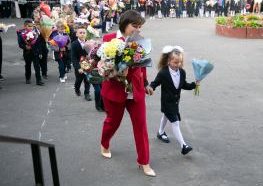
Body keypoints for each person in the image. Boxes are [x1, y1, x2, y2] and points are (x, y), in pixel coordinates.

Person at [100, 10, 155, 177]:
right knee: (112, 122)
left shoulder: (141, 41)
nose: (138, 30)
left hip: (135, 90)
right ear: (124, 25)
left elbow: (143, 65)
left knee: (141, 126)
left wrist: (145, 83)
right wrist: (116, 72)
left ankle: (144, 161)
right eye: (135, 26)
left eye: (140, 27)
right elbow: (101, 66)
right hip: (114, 90)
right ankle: (104, 143)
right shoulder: (108, 39)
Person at [150, 46, 198, 155]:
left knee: (166, 116)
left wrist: (194, 85)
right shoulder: (163, 73)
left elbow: (183, 85)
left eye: (180, 62)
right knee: (175, 122)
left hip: (175, 102)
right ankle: (183, 146)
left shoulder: (181, 72)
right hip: (167, 102)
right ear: (169, 60)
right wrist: (150, 88)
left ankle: (160, 132)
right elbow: (155, 83)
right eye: (175, 62)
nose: (178, 64)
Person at [18, 20, 44, 85]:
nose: (30, 28)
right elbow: (20, 44)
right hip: (27, 53)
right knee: (28, 66)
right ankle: (28, 78)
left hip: (35, 53)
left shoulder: (35, 34)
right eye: (29, 26)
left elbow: (39, 44)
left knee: (37, 66)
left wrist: (40, 53)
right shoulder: (22, 35)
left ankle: (38, 79)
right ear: (25, 26)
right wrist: (25, 46)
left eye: (32, 26)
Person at [71, 24, 92, 101]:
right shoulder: (74, 44)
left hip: (87, 65)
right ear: (76, 34)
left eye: (84, 33)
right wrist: (78, 68)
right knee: (79, 79)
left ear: (86, 34)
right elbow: (73, 57)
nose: (82, 34)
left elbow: (91, 54)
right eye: (80, 33)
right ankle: (77, 88)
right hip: (79, 66)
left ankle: (87, 93)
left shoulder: (89, 43)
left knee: (87, 80)